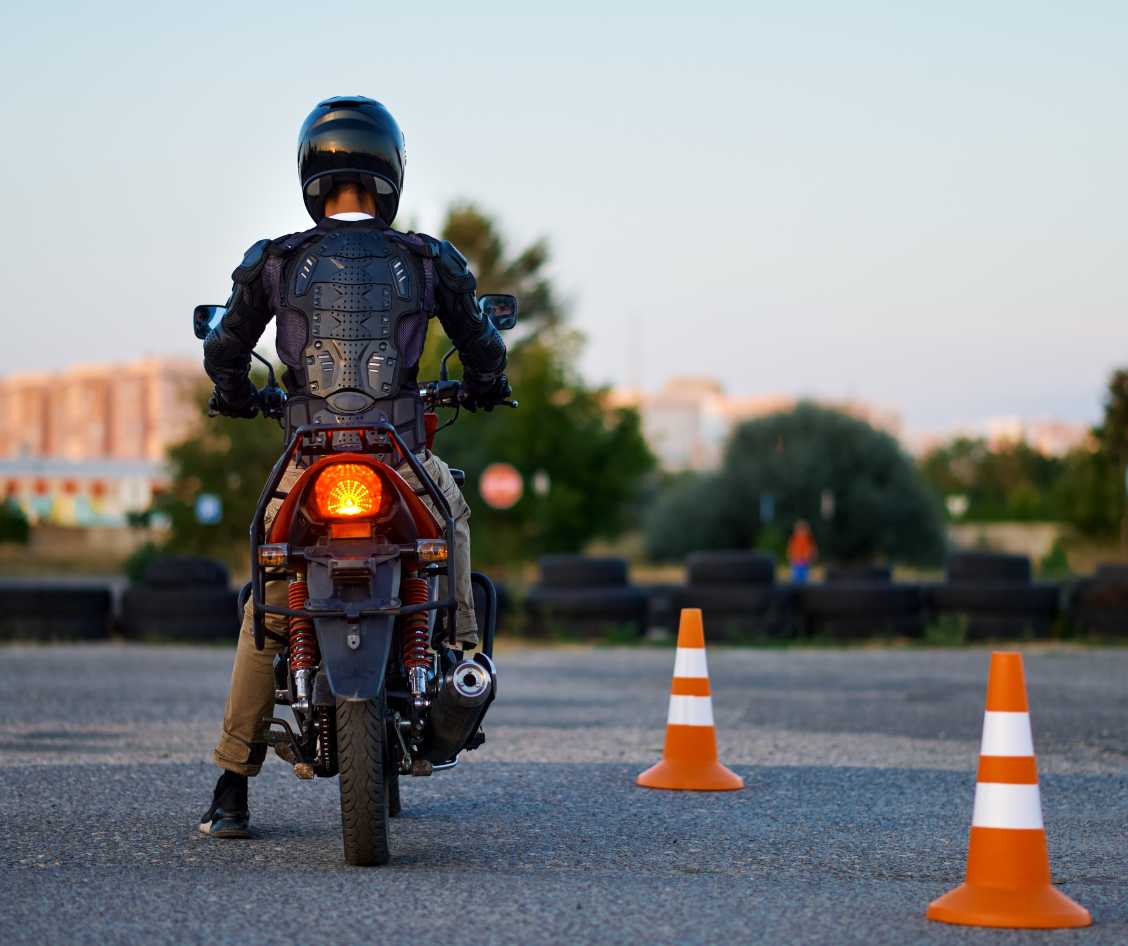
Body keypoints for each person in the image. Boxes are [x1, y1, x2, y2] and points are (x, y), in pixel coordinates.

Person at [198, 96, 511, 838]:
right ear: (390, 171)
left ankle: (231, 786)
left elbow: (224, 351)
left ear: (311, 169)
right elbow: (485, 350)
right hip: (400, 456)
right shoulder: (427, 259)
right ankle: (463, 657)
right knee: (451, 527)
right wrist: (485, 386)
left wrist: (237, 396)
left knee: (268, 597)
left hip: (308, 462)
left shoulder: (276, 260)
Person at [787, 519, 817, 584]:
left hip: (804, 562)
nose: (801, 532)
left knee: (803, 578)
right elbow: (790, 550)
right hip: (796, 562)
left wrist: (812, 558)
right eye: (799, 530)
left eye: (803, 530)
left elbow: (813, 550)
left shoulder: (809, 540)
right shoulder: (794, 539)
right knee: (796, 578)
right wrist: (791, 558)